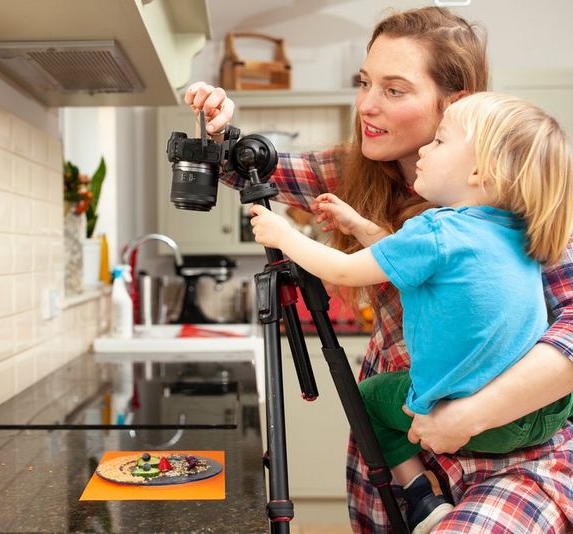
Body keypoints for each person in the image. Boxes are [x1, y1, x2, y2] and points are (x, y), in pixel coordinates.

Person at [184, 6, 573, 533]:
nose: (366, 105)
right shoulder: (354, 171)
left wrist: (471, 414)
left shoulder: (520, 193)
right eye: (365, 82)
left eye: (395, 90)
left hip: (509, 452)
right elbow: (248, 163)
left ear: (453, 103)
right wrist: (220, 128)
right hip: (395, 437)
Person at [250, 91, 573, 533]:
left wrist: (283, 234)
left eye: (440, 142)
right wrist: (360, 226)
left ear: (480, 171)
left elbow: (343, 270)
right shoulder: (519, 230)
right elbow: (413, 260)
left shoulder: (436, 229)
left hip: (477, 420)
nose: (423, 149)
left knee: (367, 400)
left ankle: (423, 499)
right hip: (546, 411)